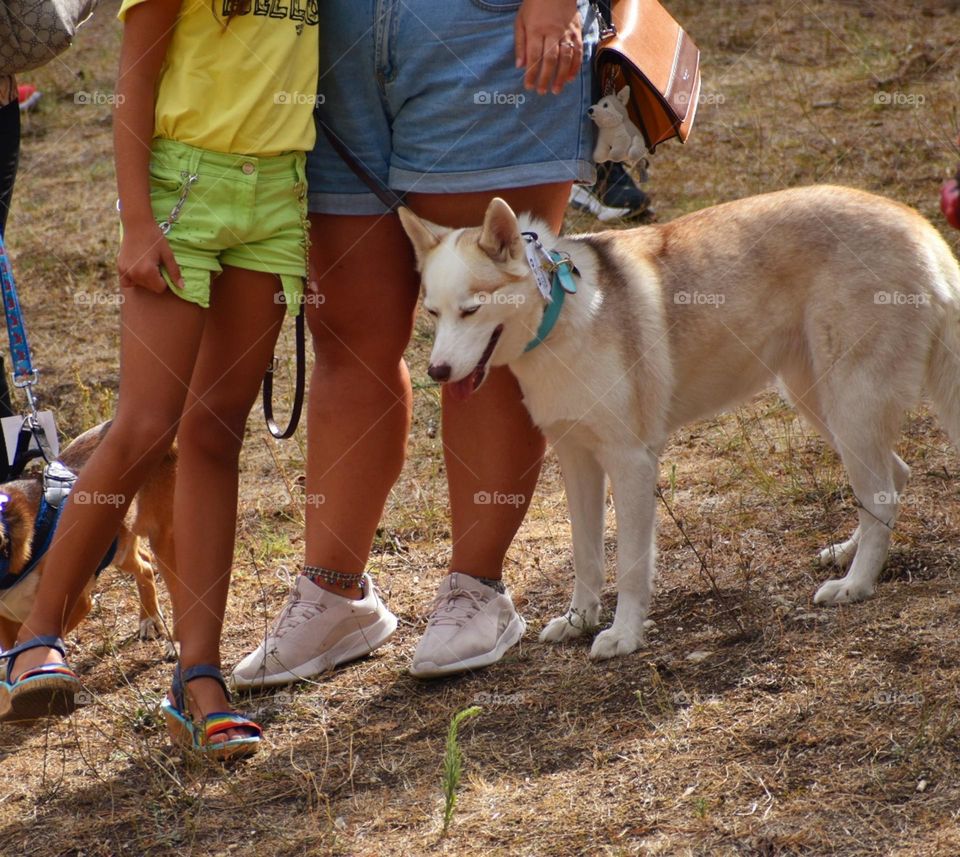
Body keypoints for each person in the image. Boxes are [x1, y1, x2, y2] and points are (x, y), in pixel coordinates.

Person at [232, 0, 600, 688]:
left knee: (491, 328)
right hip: (320, 37)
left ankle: (477, 590)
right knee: (344, 329)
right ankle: (334, 595)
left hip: (486, 31)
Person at [0, 0, 318, 759]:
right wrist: (138, 219)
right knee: (144, 424)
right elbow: (134, 81)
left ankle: (198, 675)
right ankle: (36, 637)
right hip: (185, 188)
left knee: (215, 435)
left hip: (277, 196)